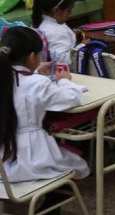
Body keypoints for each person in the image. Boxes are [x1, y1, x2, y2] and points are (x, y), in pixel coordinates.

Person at [0, 27, 90, 183]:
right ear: (32, 56)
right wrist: (64, 80)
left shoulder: (6, 77)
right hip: (32, 156)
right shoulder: (37, 83)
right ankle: (51, 203)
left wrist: (33, 72)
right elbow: (71, 98)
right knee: (78, 166)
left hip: (5, 160)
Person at [32, 0, 85, 65]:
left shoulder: (39, 22)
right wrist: (82, 46)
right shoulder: (58, 32)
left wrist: (72, 35)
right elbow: (63, 61)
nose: (71, 13)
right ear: (56, 10)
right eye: (69, 10)